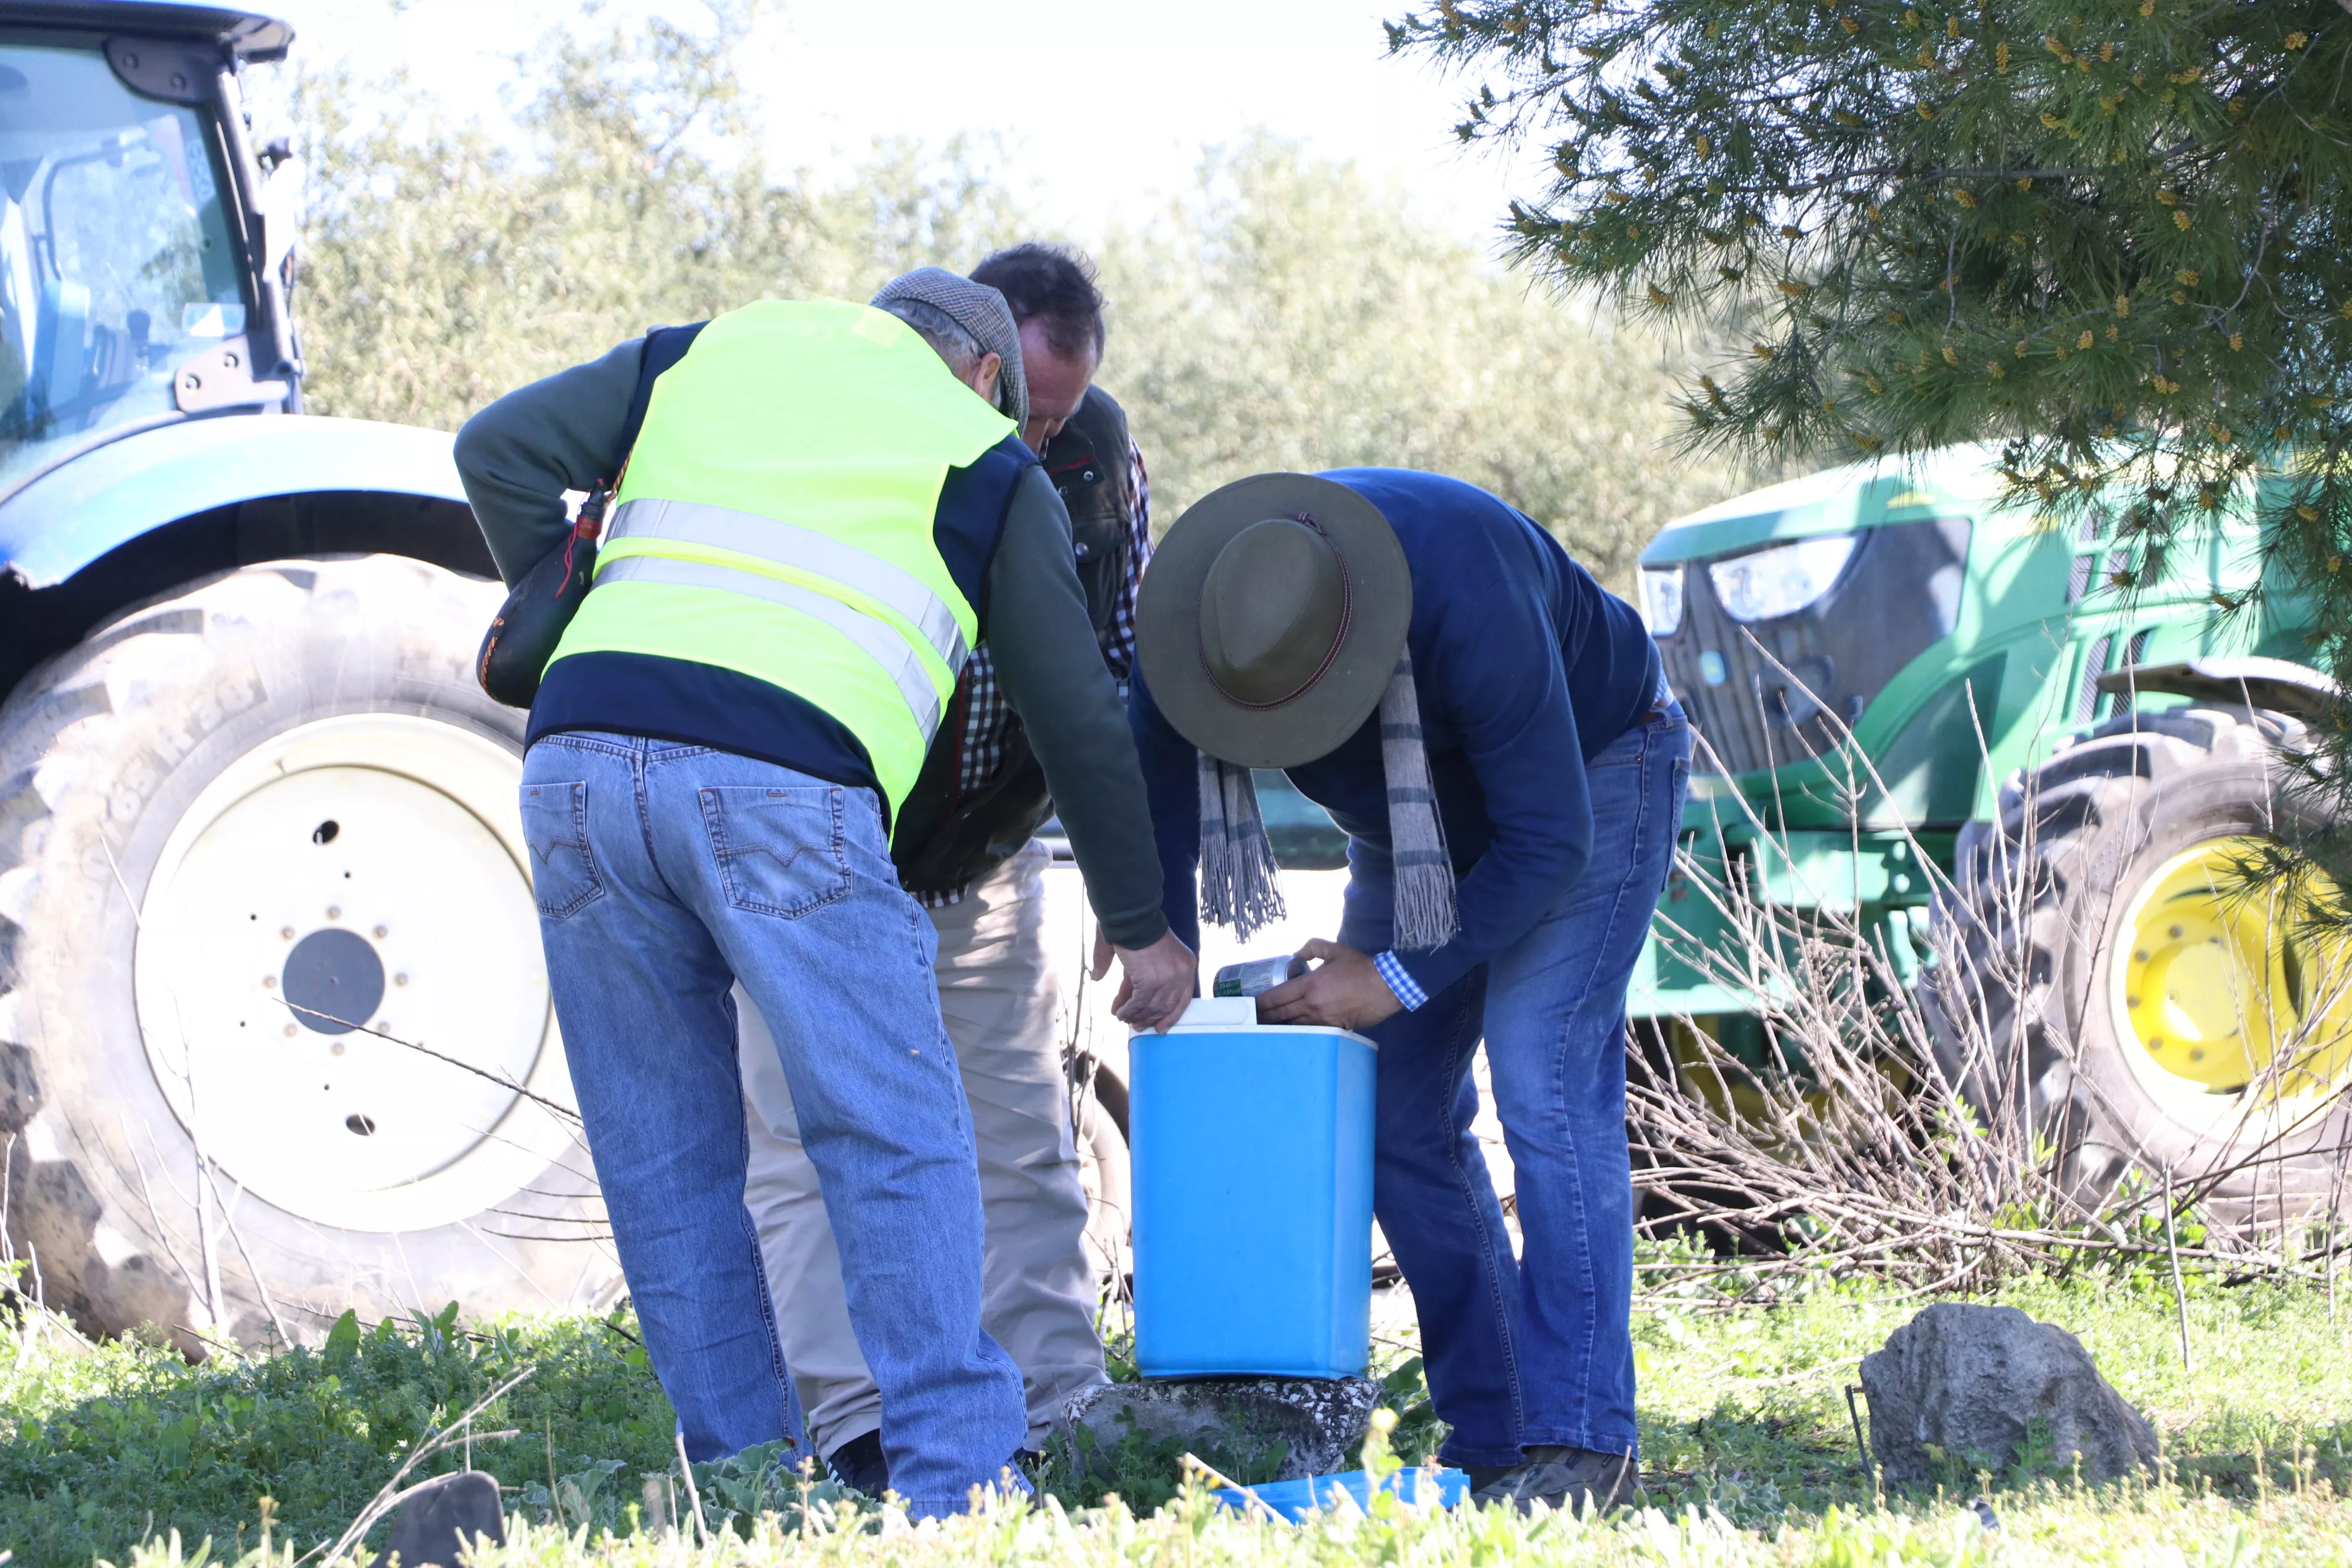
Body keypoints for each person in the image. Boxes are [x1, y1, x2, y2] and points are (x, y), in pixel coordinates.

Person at [452, 269, 1193, 1518]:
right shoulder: (983, 455)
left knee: (667, 1155)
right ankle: (960, 1477)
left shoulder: (712, 352)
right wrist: (1140, 919)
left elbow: (496, 447)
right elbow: (1076, 711)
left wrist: (564, 584)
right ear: (983, 376)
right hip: (781, 785)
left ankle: (745, 1481)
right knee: (891, 1123)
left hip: (576, 759)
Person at [1126, 469, 1688, 1514]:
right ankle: (1498, 1427)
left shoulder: (1467, 586)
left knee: (1543, 1078)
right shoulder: (1205, 623)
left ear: (1356, 658)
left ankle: (1583, 1443)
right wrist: (1165, 960)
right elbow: (1159, 807)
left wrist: (1389, 979)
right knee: (1388, 1109)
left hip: (1594, 775)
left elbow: (1546, 838)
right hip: (1413, 820)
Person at [736, 246, 1162, 1495]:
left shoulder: (1093, 463)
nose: (1035, 439)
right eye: (1015, 407)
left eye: (1059, 416)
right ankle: (856, 1423)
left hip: (990, 852)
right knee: (803, 1134)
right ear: (965, 367)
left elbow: (1116, 679)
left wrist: (1134, 885)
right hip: (818, 841)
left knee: (1021, 1132)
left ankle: (1058, 1401)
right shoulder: (835, 440)